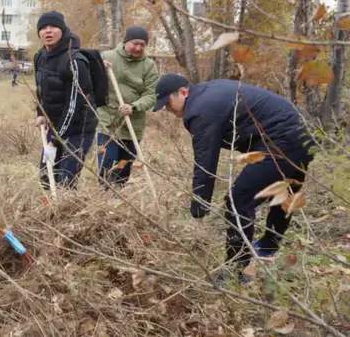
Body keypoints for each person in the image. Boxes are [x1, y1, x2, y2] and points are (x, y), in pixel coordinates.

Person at [152, 74, 315, 283]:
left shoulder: (199, 110)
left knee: (238, 200)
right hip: (305, 130)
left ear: (183, 92)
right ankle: (268, 246)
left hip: (283, 137)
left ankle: (234, 272)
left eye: (168, 103)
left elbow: (205, 162)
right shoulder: (208, 92)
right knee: (284, 189)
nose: (169, 109)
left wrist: (199, 207)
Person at [32, 11, 98, 190]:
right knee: (46, 175)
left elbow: (74, 105)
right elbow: (42, 90)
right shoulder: (40, 57)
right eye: (43, 28)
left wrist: (56, 138)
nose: (48, 31)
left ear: (62, 30)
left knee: (65, 181)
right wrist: (41, 113)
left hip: (79, 128)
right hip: (55, 124)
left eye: (53, 27)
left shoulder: (75, 60)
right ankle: (51, 214)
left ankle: (67, 215)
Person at [96, 26, 159, 187]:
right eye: (135, 43)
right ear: (125, 42)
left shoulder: (149, 66)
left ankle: (118, 202)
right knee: (106, 166)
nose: (138, 48)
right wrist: (98, 67)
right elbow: (90, 78)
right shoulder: (107, 57)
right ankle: (103, 200)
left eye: (142, 45)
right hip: (108, 123)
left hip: (133, 126)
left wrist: (134, 106)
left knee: (123, 169)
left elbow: (151, 95)